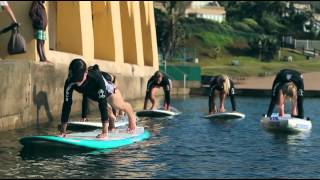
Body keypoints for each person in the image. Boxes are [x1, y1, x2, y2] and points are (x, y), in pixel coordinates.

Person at [59, 58, 136, 139]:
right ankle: (112, 120)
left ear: (86, 74)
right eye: (75, 80)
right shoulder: (70, 81)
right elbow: (66, 106)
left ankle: (132, 117)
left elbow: (102, 104)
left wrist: (104, 132)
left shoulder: (96, 78)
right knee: (101, 106)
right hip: (92, 93)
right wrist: (63, 132)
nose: (77, 84)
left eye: (79, 80)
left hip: (108, 90)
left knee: (118, 105)